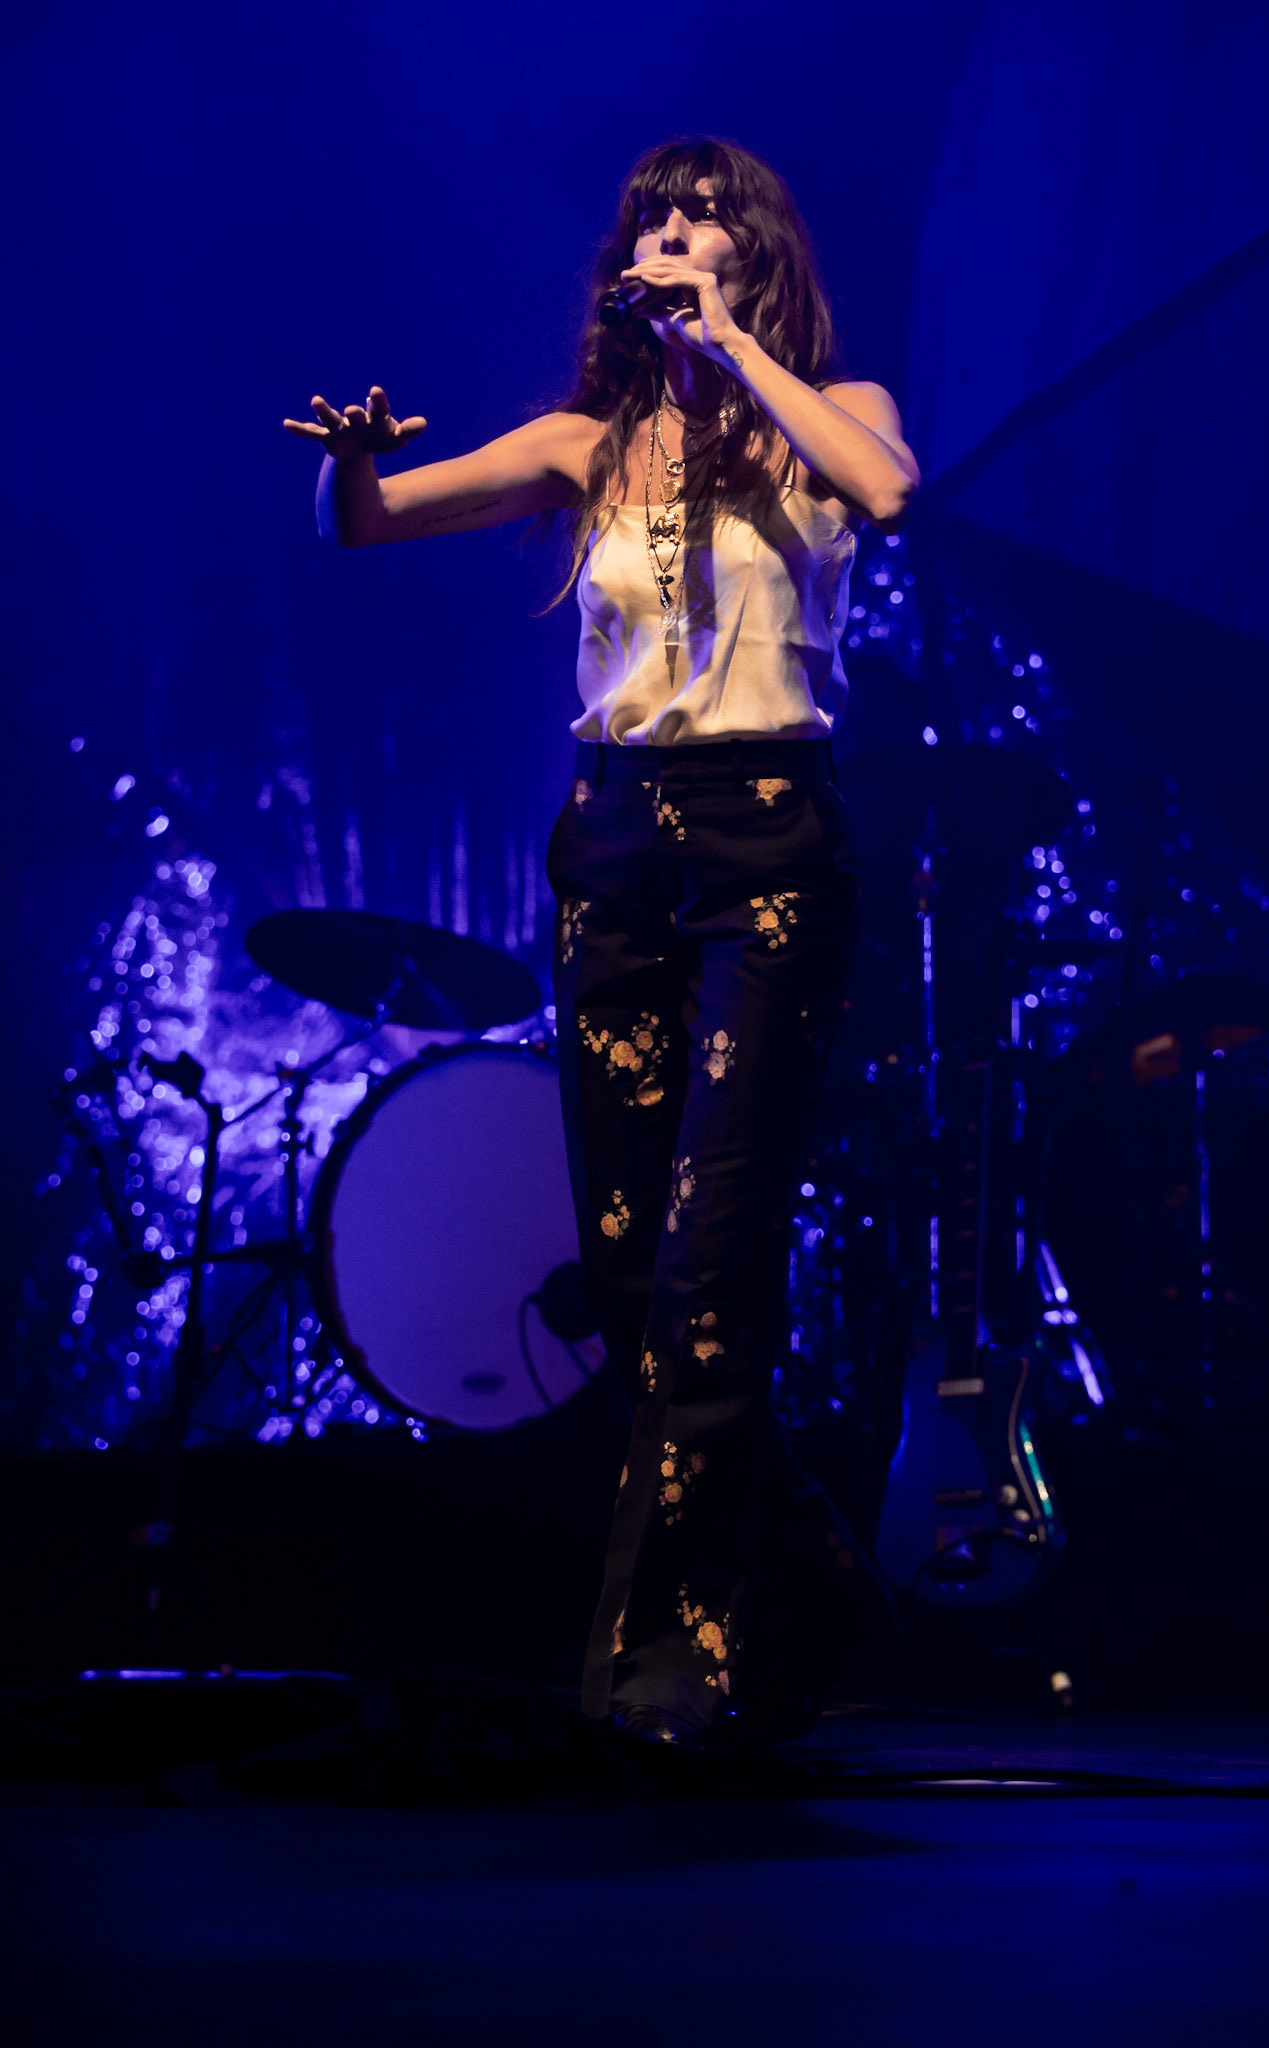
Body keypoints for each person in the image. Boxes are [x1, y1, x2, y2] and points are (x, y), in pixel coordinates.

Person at [286, 136, 919, 1747]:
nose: (669, 233)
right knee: (633, 1274)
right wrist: (350, 461)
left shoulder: (835, 413)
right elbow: (363, 525)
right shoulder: (587, 441)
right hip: (616, 840)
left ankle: (668, 1668)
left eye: (699, 215)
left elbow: (888, 493)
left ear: (751, 246)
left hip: (771, 837)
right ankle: (815, 1589)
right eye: (650, 217)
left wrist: (727, 345)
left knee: (713, 1260)